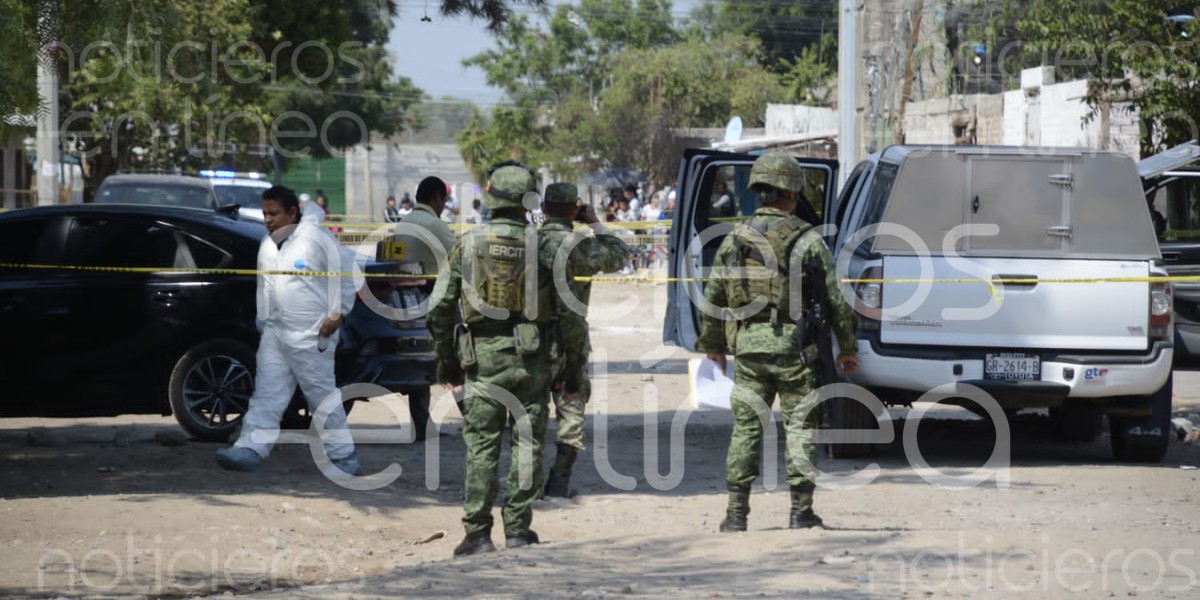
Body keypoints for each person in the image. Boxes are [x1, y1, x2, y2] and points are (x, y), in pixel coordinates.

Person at [427, 162, 588, 557]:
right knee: (527, 442)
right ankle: (518, 528)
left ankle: (478, 534)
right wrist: (571, 368)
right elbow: (570, 316)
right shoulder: (547, 247)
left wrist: (447, 362)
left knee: (481, 445)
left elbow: (438, 311)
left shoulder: (467, 244)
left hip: (481, 359)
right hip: (532, 359)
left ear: (492, 196)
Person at [696, 153, 861, 532]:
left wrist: (713, 344)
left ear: (758, 190)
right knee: (801, 426)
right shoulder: (807, 239)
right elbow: (835, 299)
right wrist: (847, 348)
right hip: (797, 348)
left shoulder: (736, 237)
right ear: (791, 191)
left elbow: (714, 297)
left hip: (749, 348)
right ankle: (800, 512)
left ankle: (735, 516)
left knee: (746, 429)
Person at [216, 185, 362, 476]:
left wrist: (337, 314)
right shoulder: (268, 245)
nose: (267, 219)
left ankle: (343, 456)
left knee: (321, 397)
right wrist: (264, 321)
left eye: (274, 213)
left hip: (312, 334)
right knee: (267, 394)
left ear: (292, 212)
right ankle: (250, 448)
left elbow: (349, 275)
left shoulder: (317, 240)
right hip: (275, 333)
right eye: (264, 214)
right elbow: (265, 286)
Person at [539, 183, 631, 497]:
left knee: (529, 411)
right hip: (571, 341)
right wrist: (593, 222)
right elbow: (620, 255)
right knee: (571, 408)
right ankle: (559, 481)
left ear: (543, 209)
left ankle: (525, 482)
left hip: (529, 341)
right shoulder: (580, 246)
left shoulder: (529, 242)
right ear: (575, 209)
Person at [394, 176, 457, 276]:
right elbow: (459, 255)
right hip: (430, 287)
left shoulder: (402, 223)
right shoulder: (434, 224)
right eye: (444, 201)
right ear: (436, 198)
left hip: (404, 284)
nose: (443, 207)